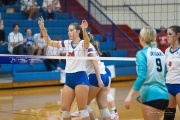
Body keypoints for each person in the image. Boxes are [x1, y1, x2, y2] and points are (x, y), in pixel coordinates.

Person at [38, 17, 91, 120]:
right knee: (65, 111)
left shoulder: (82, 44)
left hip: (80, 78)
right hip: (69, 78)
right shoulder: (67, 43)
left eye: (71, 30)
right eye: (68, 30)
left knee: (83, 112)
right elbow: (49, 42)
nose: (69, 32)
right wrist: (42, 28)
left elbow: (87, 43)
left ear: (78, 31)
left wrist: (84, 30)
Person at [124, 26, 169, 120]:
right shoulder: (161, 52)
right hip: (164, 97)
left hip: (151, 97)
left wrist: (129, 96)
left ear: (142, 38)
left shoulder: (141, 54)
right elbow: (165, 75)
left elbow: (141, 76)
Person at [163, 25, 180, 120]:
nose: (167, 36)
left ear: (178, 35)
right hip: (169, 85)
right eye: (167, 34)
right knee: (168, 115)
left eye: (170, 34)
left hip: (179, 85)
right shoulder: (167, 51)